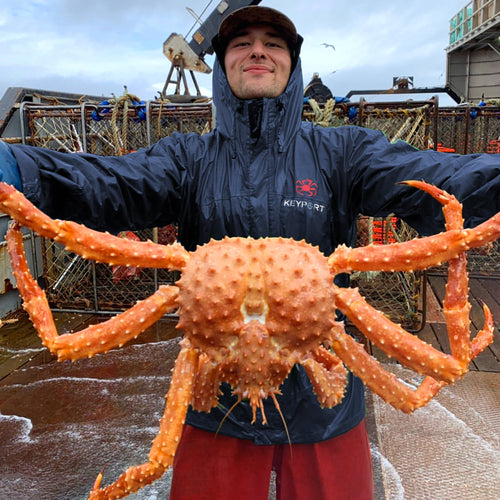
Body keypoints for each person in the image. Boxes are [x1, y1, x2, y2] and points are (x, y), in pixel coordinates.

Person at [0, 5, 499, 500]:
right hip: (216, 410)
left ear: (291, 63)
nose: (257, 50)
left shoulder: (343, 154)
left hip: (325, 414)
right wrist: (19, 171)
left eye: (273, 43)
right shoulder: (186, 159)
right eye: (241, 43)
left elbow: (439, 183)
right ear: (222, 64)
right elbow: (109, 183)